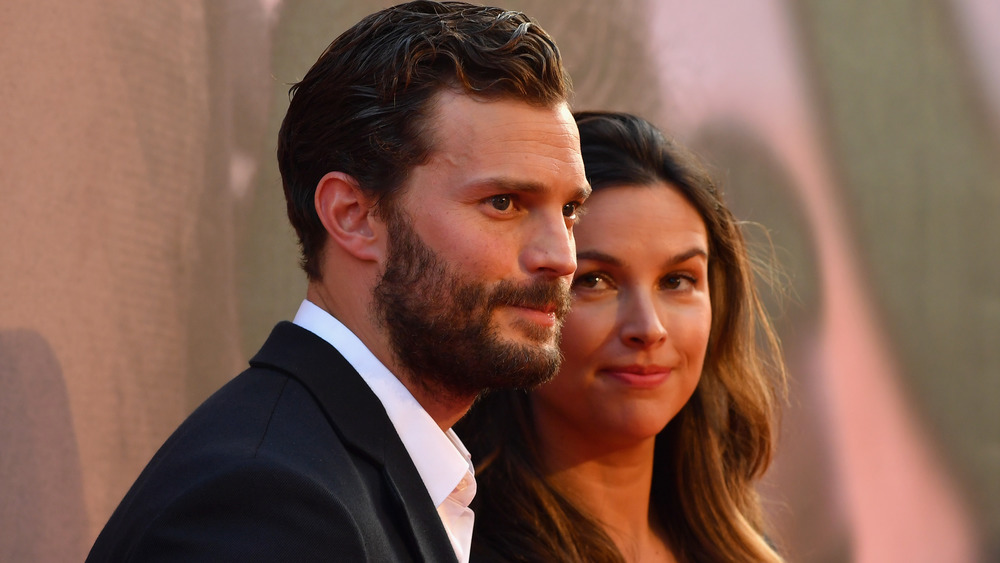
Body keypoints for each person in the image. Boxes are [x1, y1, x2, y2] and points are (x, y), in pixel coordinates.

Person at [86, 2, 590, 562]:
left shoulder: (353, 467)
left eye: (569, 210)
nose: (562, 256)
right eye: (504, 202)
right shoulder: (267, 502)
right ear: (353, 215)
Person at [457, 111, 787, 562]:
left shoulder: (744, 548)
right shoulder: (452, 543)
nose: (648, 328)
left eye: (677, 281)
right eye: (595, 281)